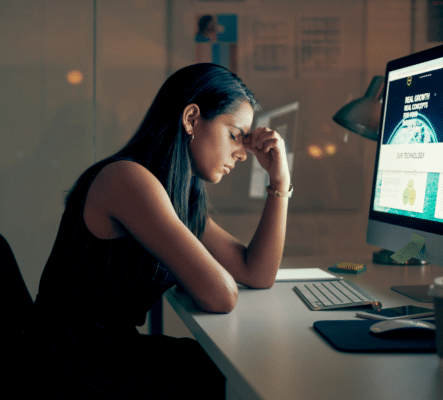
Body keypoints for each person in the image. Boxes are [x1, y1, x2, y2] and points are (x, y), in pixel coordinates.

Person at [32, 63, 291, 399]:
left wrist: (280, 181)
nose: (242, 153)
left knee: (249, 369)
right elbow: (220, 296)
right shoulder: (128, 180)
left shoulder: (177, 194)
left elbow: (256, 273)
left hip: (114, 350)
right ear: (191, 119)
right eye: (233, 135)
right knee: (236, 385)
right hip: (76, 366)